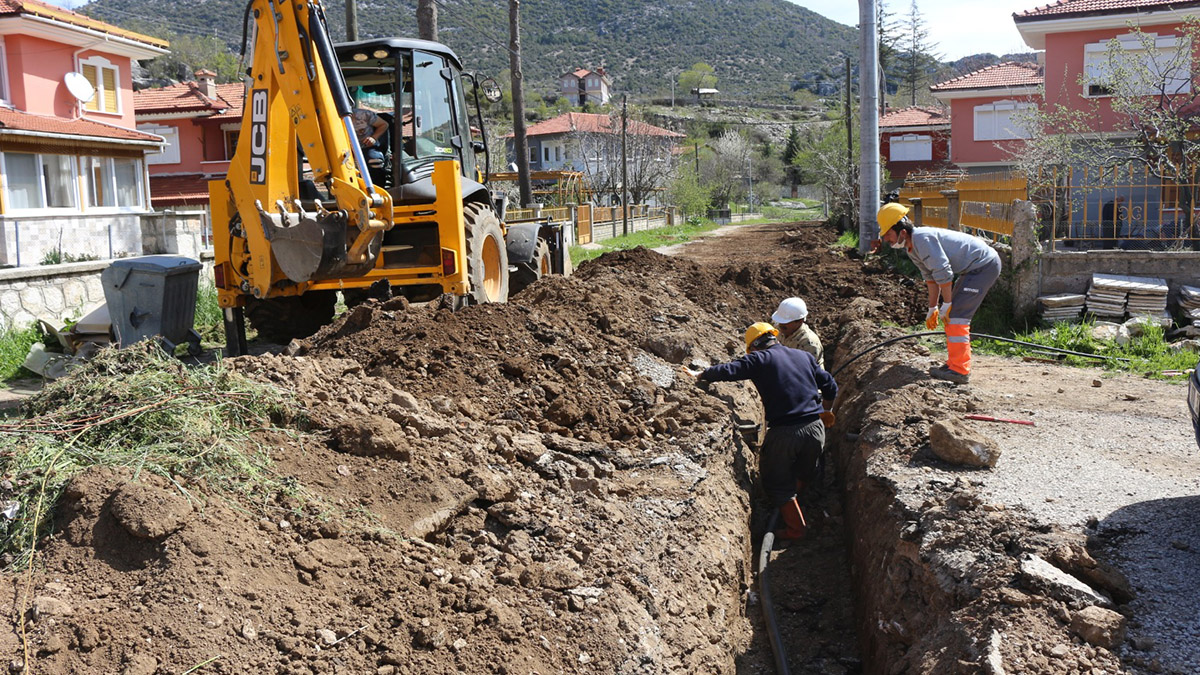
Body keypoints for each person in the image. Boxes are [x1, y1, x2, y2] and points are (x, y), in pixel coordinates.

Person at [697, 322, 838, 540]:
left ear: (753, 347)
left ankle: (795, 529)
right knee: (805, 470)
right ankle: (795, 502)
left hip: (786, 432)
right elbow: (830, 386)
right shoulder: (804, 357)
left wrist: (702, 374)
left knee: (775, 481)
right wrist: (825, 411)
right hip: (815, 428)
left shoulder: (759, 359)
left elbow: (729, 370)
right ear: (774, 338)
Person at [877, 203, 1001, 385]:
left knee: (957, 316)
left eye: (888, 234)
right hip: (973, 268)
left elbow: (943, 273)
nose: (886, 239)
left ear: (902, 232)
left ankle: (960, 370)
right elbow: (931, 278)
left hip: (984, 266)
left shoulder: (922, 239)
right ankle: (953, 364)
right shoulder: (912, 248)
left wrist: (947, 303)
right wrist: (933, 307)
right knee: (952, 316)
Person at [772, 297, 824, 368]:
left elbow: (805, 371)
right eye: (780, 321)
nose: (781, 325)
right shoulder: (777, 328)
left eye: (785, 322)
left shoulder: (809, 344)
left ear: (800, 321)